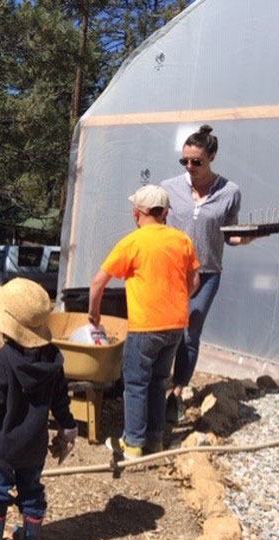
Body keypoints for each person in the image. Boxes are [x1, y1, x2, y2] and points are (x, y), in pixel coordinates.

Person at [0, 278, 77, 540]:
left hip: (2, 446)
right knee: (32, 489)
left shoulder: (2, 362)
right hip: (34, 446)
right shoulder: (54, 361)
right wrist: (68, 427)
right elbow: (61, 401)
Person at [88, 185, 200, 459]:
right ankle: (155, 440)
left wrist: (94, 314)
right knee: (159, 381)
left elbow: (97, 283)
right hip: (175, 326)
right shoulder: (182, 240)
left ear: (137, 212)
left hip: (145, 326)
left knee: (136, 383)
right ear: (164, 213)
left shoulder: (133, 242)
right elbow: (194, 281)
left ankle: (134, 444)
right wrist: (177, 301)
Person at [161, 124, 255, 423]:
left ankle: (176, 392)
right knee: (166, 330)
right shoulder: (169, 187)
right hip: (173, 272)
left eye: (196, 161)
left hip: (208, 273)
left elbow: (230, 235)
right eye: (185, 161)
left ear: (212, 156)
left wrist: (247, 238)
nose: (190, 167)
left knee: (191, 331)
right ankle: (157, 384)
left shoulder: (230, 192)